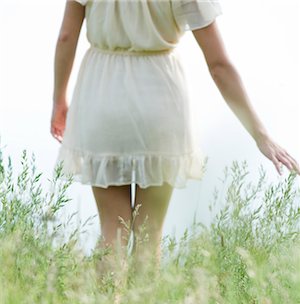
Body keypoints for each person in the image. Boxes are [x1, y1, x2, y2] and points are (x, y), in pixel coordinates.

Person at [50, 0, 300, 277]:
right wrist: (260, 134)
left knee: (113, 227)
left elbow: (66, 37)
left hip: (102, 95)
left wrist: (59, 100)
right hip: (160, 100)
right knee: (149, 232)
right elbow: (219, 66)